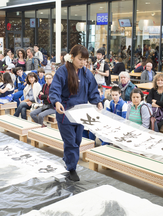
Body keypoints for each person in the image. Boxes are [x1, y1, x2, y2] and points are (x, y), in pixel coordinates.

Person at [49, 44, 103, 181]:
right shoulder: (62, 71)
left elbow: (93, 90)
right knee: (71, 142)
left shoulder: (86, 73)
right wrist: (56, 101)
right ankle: (72, 168)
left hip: (80, 113)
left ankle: (68, 160)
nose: (83, 63)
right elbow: (55, 88)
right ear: (72, 57)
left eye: (85, 60)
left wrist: (98, 101)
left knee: (77, 140)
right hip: (65, 112)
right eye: (81, 59)